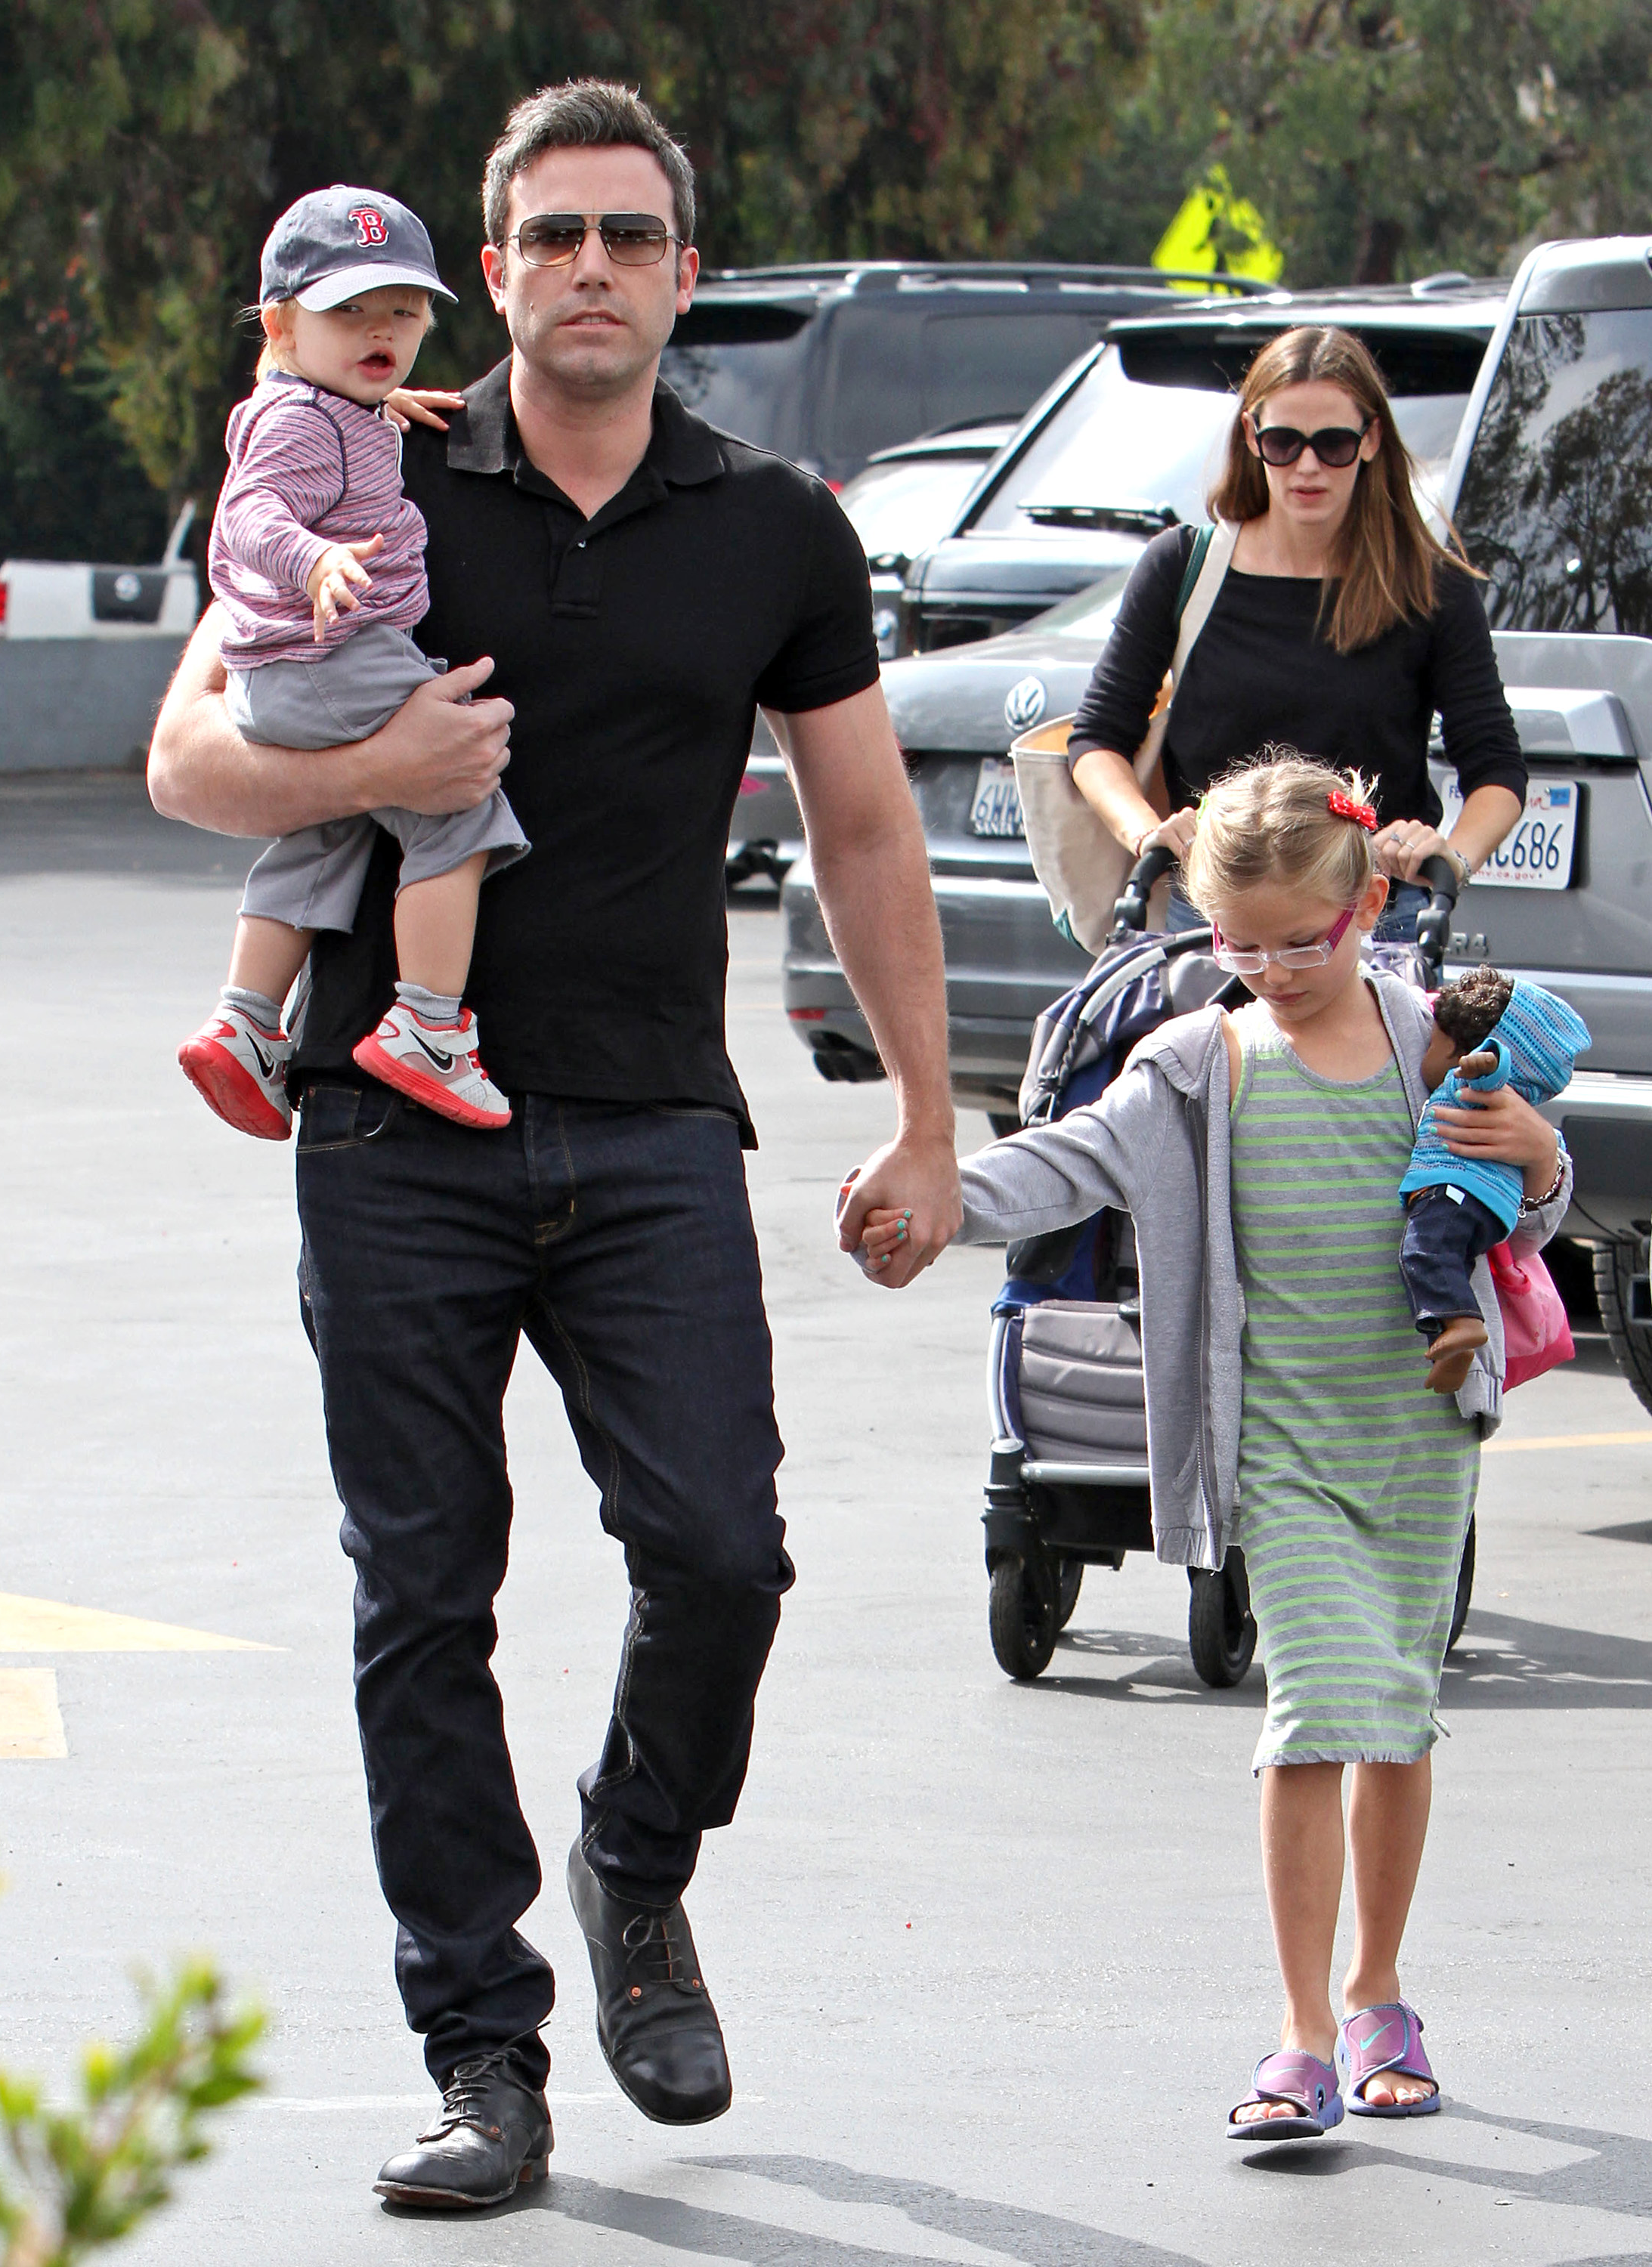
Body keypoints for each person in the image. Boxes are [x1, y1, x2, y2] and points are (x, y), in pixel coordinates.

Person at [149, 80, 962, 2209]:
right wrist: (387, 752)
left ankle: (632, 1860)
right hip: (386, 1126)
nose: (586, 269)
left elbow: (862, 827)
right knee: (423, 1593)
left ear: (684, 277)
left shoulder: (774, 523)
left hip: (647, 1128)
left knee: (721, 1554)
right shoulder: (362, 453)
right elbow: (182, 756)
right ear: (485, 270)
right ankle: (479, 2054)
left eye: (627, 237)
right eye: (548, 238)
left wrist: (926, 1115)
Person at [851, 754, 1570, 2139]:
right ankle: (1303, 2028)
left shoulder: (1433, 1041)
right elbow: (1068, 1162)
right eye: (1237, 944)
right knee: (1308, 1721)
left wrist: (1537, 1157)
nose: (1270, 969)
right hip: (1281, 1449)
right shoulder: (1197, 1063)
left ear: (1365, 906)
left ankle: (1378, 1991)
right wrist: (943, 1200)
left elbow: (1520, 1224)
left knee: (1399, 1720)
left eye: (1300, 941)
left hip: (1419, 1436)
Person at [180, 185, 528, 1140]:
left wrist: (380, 403)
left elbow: (331, 438)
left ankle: (248, 1022)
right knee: (458, 798)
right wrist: (316, 558)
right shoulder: (300, 422)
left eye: (403, 313)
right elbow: (251, 517)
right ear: (284, 324)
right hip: (331, 655)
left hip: (286, 679)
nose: (382, 331)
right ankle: (427, 1024)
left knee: (326, 832)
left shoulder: (329, 402)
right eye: (350, 313)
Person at [1065, 325, 1528, 938]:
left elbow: (1495, 766)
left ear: (1370, 440)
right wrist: (1146, 831)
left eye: (1333, 443)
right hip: (1213, 921)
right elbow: (1097, 740)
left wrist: (1450, 856)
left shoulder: (1425, 585)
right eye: (1283, 442)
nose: (1307, 466)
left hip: (1371, 920)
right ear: (1251, 436)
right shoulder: (1181, 567)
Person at [1402, 965, 1589, 1388]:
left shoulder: (1477, 1086)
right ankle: (1450, 1331)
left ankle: (1460, 1324)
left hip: (1455, 1190)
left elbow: (1493, 1064)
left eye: (1434, 1042)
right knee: (1443, 1254)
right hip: (1476, 1200)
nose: (1424, 1053)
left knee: (1426, 1252)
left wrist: (1484, 1060)